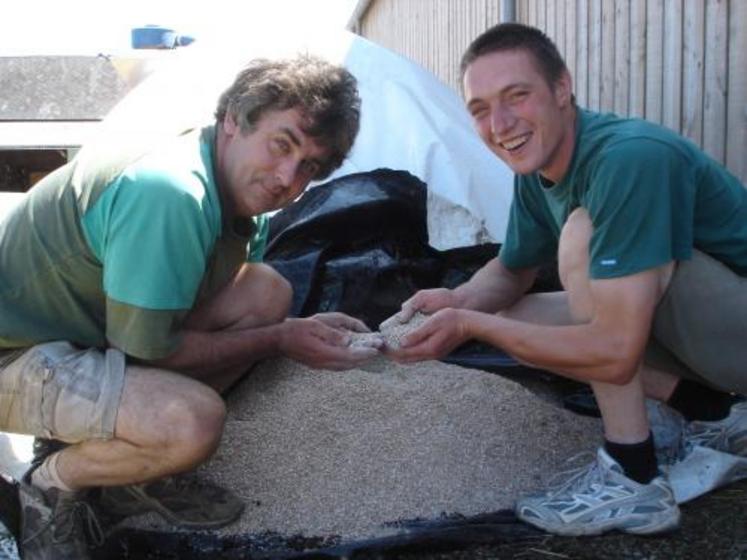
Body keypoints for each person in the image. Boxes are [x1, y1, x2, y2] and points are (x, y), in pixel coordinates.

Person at [0, 54, 379, 559]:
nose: (287, 178)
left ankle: (125, 469)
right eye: (281, 144)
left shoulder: (238, 197)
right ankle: (50, 483)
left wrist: (287, 326)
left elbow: (210, 315)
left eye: (309, 166)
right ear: (232, 120)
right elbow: (153, 354)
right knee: (192, 423)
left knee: (268, 292)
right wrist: (282, 338)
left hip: (82, 335)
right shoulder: (171, 192)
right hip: (15, 353)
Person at [388, 22, 747, 536]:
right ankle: (713, 413)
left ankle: (634, 477)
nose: (501, 122)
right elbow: (512, 272)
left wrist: (470, 326)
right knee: (512, 314)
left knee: (580, 238)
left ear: (562, 88)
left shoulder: (628, 158)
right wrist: (459, 300)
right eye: (481, 109)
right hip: (715, 341)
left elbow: (616, 351)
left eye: (517, 96)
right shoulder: (538, 174)